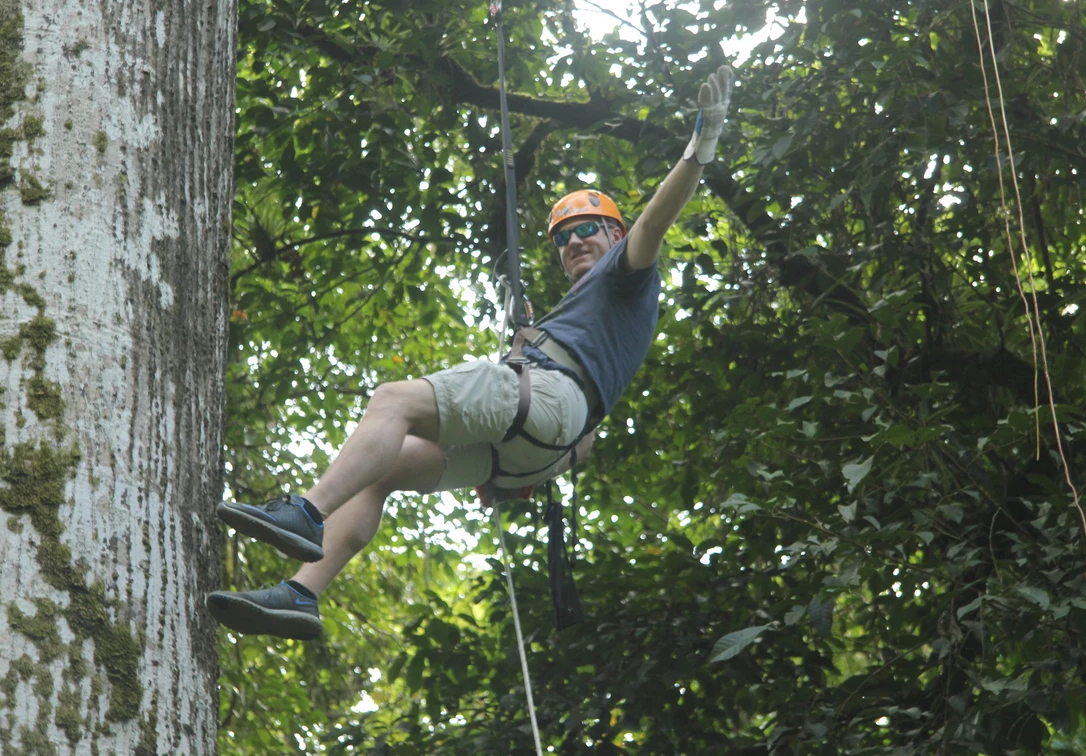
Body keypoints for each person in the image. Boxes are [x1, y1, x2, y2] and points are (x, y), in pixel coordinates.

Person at [206, 66, 735, 640]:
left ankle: (305, 511)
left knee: (393, 401)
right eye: (562, 238)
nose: (574, 241)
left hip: (546, 406)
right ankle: (301, 594)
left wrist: (698, 151)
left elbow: (655, 221)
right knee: (380, 470)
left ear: (615, 235)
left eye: (588, 228)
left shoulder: (626, 272)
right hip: (533, 450)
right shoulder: (598, 318)